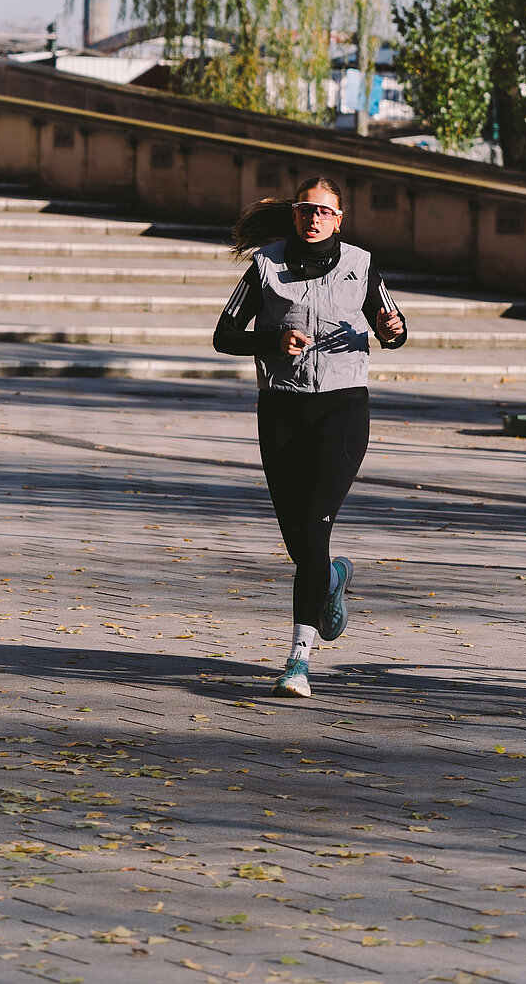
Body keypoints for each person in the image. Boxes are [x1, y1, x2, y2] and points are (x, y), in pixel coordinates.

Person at [213, 175, 406, 698]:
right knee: (299, 537)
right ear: (295, 214)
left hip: (342, 409)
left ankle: (298, 659)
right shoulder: (266, 265)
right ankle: (333, 577)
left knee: (315, 526)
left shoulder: (361, 265)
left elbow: (394, 325)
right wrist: (274, 338)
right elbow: (224, 335)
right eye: (306, 210)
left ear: (339, 219)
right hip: (281, 408)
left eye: (325, 212)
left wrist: (392, 330)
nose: (315, 218)